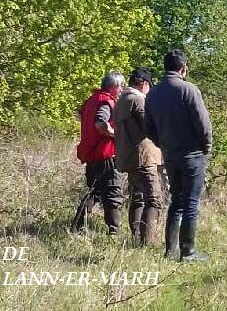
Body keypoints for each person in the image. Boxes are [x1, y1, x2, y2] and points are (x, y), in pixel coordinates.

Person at [146, 50, 212, 262]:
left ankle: (170, 251)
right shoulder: (189, 90)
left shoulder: (153, 93)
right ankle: (188, 252)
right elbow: (203, 124)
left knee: (176, 201)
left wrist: (163, 145)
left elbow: (148, 128)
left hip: (170, 154)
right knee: (191, 203)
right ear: (183, 68)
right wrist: (206, 146)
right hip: (192, 154)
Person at [113, 67, 163, 246]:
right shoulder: (137, 100)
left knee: (138, 198)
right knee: (154, 199)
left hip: (129, 157)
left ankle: (136, 238)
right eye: (149, 85)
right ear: (143, 84)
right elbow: (149, 126)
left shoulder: (121, 100)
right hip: (144, 157)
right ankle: (148, 243)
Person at [73, 71, 125, 235]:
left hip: (92, 153)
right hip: (104, 154)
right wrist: (117, 135)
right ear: (113, 87)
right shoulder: (105, 101)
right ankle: (114, 231)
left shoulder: (91, 100)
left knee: (94, 191)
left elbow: (82, 118)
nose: (123, 89)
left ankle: (78, 226)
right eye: (121, 86)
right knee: (112, 191)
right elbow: (101, 123)